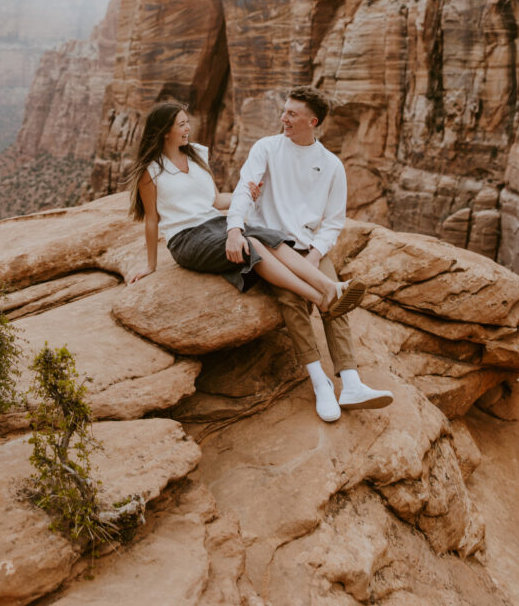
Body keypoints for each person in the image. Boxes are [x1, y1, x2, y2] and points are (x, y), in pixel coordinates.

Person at [226, 85, 393, 423]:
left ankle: (351, 382)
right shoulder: (267, 148)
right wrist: (234, 227)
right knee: (292, 302)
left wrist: (315, 255)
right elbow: (245, 189)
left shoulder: (331, 165)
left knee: (337, 304)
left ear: (312, 121)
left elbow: (333, 221)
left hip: (310, 250)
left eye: (292, 113)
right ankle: (320, 384)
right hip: (273, 245)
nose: (283, 118)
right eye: (284, 111)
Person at [127, 101, 366, 320]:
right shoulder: (152, 171)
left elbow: (217, 200)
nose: (188, 128)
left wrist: (247, 195)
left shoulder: (197, 154)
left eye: (187, 122)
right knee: (252, 245)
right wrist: (151, 266)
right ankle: (321, 298)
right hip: (186, 238)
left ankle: (330, 288)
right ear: (165, 131)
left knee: (268, 236)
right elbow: (151, 220)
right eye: (181, 124)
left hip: (215, 225)